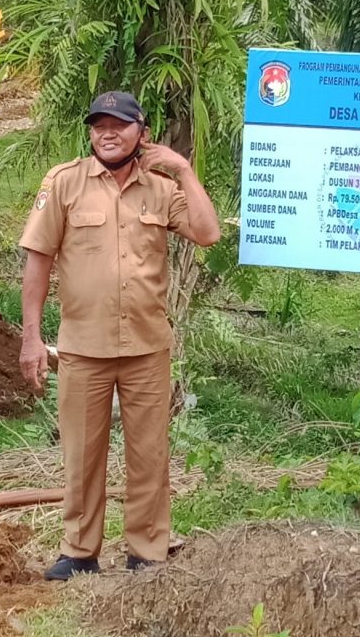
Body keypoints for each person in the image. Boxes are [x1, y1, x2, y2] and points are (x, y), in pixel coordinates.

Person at [22, 91, 223, 579]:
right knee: (82, 454)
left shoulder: (160, 189)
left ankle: (146, 553)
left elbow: (207, 232)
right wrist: (31, 336)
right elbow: (38, 259)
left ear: (142, 133)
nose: (107, 133)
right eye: (98, 125)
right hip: (82, 348)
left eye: (119, 124)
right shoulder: (65, 183)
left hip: (146, 347)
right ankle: (79, 551)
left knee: (149, 455)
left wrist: (183, 170)